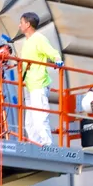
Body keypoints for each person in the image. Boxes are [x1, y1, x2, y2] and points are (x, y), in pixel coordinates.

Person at [16, 12, 63, 146]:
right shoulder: (28, 42)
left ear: (28, 24)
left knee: (39, 118)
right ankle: (35, 144)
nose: (19, 25)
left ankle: (46, 145)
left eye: (21, 22)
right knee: (29, 122)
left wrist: (58, 60)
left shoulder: (39, 39)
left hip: (38, 84)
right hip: (29, 85)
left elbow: (53, 52)